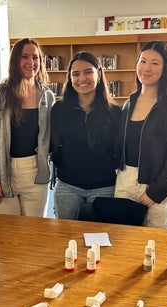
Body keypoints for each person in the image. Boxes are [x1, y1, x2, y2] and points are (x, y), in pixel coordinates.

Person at [114, 40, 167, 229]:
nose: (146, 68)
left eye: (155, 63)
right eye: (143, 61)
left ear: (166, 68)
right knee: (121, 239)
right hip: (125, 181)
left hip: (155, 186)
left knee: (154, 243)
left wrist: (156, 192)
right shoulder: (129, 103)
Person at [0, 38, 55, 216]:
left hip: (36, 173)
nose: (31, 62)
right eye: (24, 57)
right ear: (15, 61)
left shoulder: (47, 97)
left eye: (35, 57)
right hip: (4, 171)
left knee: (35, 232)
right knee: (8, 234)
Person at [50, 51, 122, 220]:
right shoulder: (59, 109)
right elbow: (53, 142)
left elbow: (119, 148)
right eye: (75, 74)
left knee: (101, 237)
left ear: (99, 74)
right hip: (67, 185)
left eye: (88, 71)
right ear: (70, 79)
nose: (82, 78)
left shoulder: (115, 112)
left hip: (104, 186)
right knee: (66, 236)